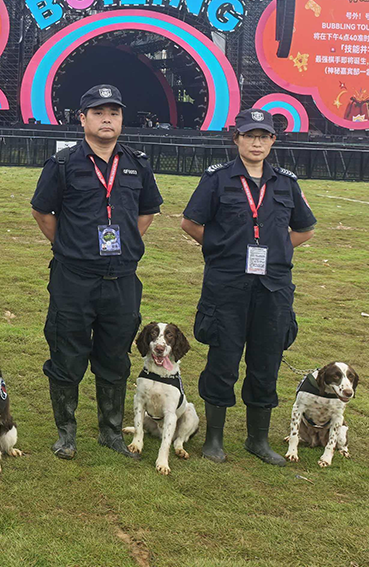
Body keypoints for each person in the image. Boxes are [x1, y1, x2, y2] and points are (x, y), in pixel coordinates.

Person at [30, 84, 162, 460]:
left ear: (121, 119)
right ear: (82, 119)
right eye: (99, 112)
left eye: (114, 113)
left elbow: (147, 211)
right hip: (73, 278)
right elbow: (42, 211)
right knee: (66, 354)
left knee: (115, 356)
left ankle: (110, 431)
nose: (107, 119)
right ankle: (66, 434)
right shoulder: (63, 164)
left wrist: (126, 244)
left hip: (121, 279)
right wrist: (69, 245)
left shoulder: (138, 163)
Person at [180, 108, 317, 465]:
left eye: (263, 136)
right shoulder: (218, 179)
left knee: (266, 361)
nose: (257, 142)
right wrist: (221, 250)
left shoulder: (286, 183)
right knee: (223, 360)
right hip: (227, 285)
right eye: (250, 135)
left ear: (272, 140)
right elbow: (191, 223)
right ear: (237, 138)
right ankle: (214, 439)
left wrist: (278, 251)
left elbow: (304, 229)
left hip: (273, 288)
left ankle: (258, 439)